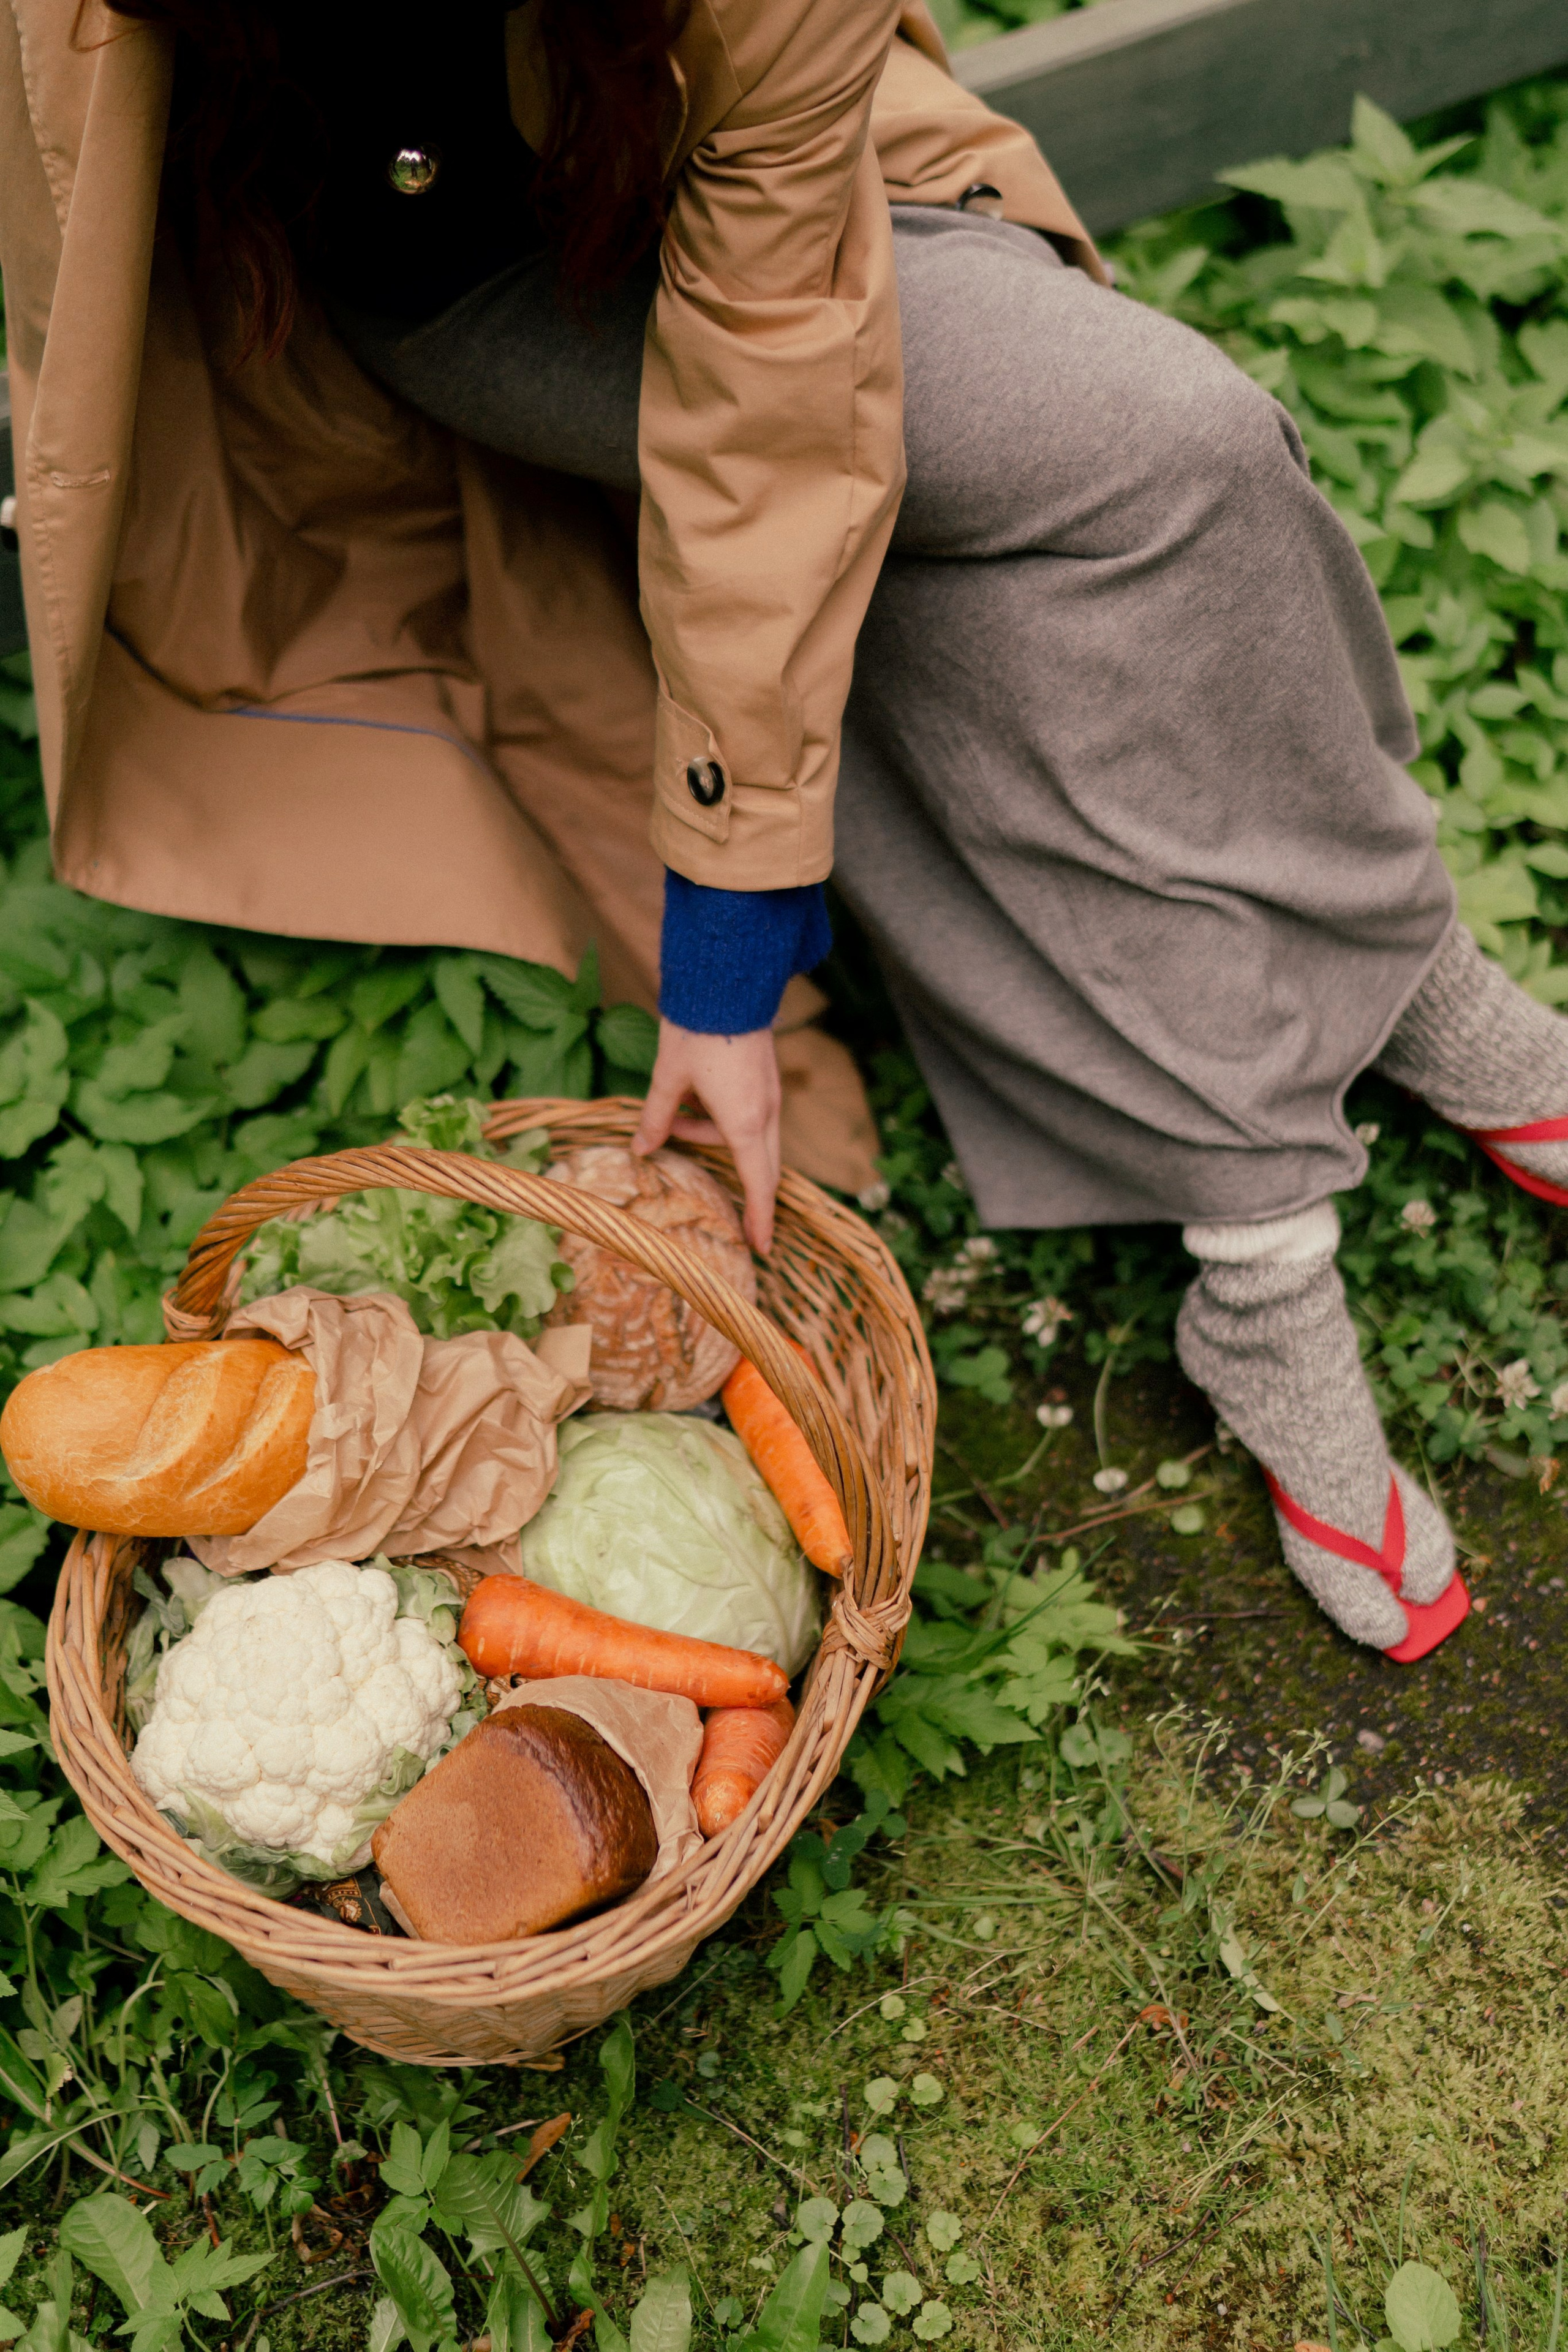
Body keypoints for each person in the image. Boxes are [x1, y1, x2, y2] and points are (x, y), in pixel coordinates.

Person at [6, 0, 1565, 1660]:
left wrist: (728, 951)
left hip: (764, 166)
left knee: (1164, 458)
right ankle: (1317, 1176)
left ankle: (1322, 1166)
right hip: (465, 262)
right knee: (1127, 472)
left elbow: (770, 421)